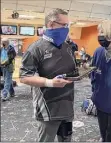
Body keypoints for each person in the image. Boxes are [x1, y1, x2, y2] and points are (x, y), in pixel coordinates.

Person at [19, 8, 76, 142]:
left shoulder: (67, 47)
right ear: (51, 24)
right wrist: (49, 83)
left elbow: (70, 70)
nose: (67, 28)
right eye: (64, 25)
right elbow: (24, 77)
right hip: (47, 111)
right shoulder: (35, 49)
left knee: (66, 140)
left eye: (68, 25)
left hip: (67, 107)